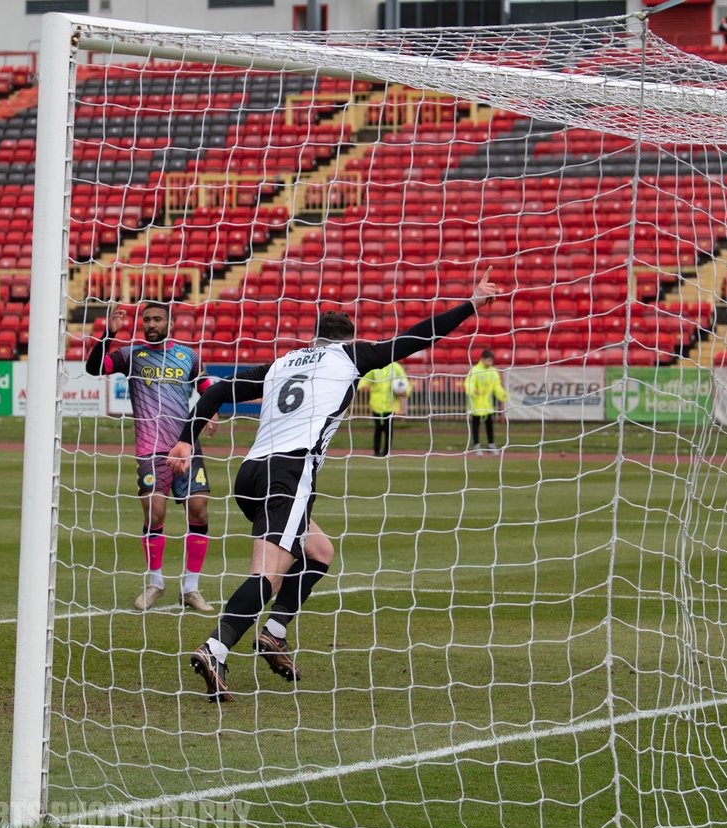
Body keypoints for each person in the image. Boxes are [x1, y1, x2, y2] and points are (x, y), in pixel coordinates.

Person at [169, 274, 499, 702]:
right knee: (266, 574)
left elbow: (219, 390)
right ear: (349, 339)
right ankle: (215, 648)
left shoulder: (283, 362)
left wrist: (185, 438)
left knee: (319, 551)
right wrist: (471, 303)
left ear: (314, 338)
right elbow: (418, 336)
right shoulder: (351, 355)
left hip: (250, 473)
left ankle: (273, 633)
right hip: (289, 473)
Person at [86, 302, 216, 612]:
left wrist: (210, 412)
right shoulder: (131, 355)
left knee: (198, 510)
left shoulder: (189, 356)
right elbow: (94, 368)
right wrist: (109, 334)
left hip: (186, 445)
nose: (151, 323)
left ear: (170, 324)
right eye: (147, 319)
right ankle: (156, 583)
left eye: (157, 319)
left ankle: (191, 588)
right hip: (150, 447)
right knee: (155, 513)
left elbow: (206, 386)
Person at [358, 361, 410, 456]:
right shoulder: (375, 366)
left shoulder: (396, 367)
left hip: (391, 406)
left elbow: (404, 382)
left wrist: (404, 391)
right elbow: (365, 380)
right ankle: (376, 451)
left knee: (388, 429)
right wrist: (363, 386)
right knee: (378, 428)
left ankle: (386, 451)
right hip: (376, 404)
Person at [465, 349, 508, 455]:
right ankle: (476, 445)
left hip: (488, 405)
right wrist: (472, 389)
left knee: (489, 424)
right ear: (483, 359)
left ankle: (491, 444)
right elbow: (468, 383)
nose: (490, 363)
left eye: (491, 361)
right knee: (475, 424)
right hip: (475, 405)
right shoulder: (474, 370)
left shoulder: (493, 371)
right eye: (488, 360)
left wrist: (502, 394)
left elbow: (496, 386)